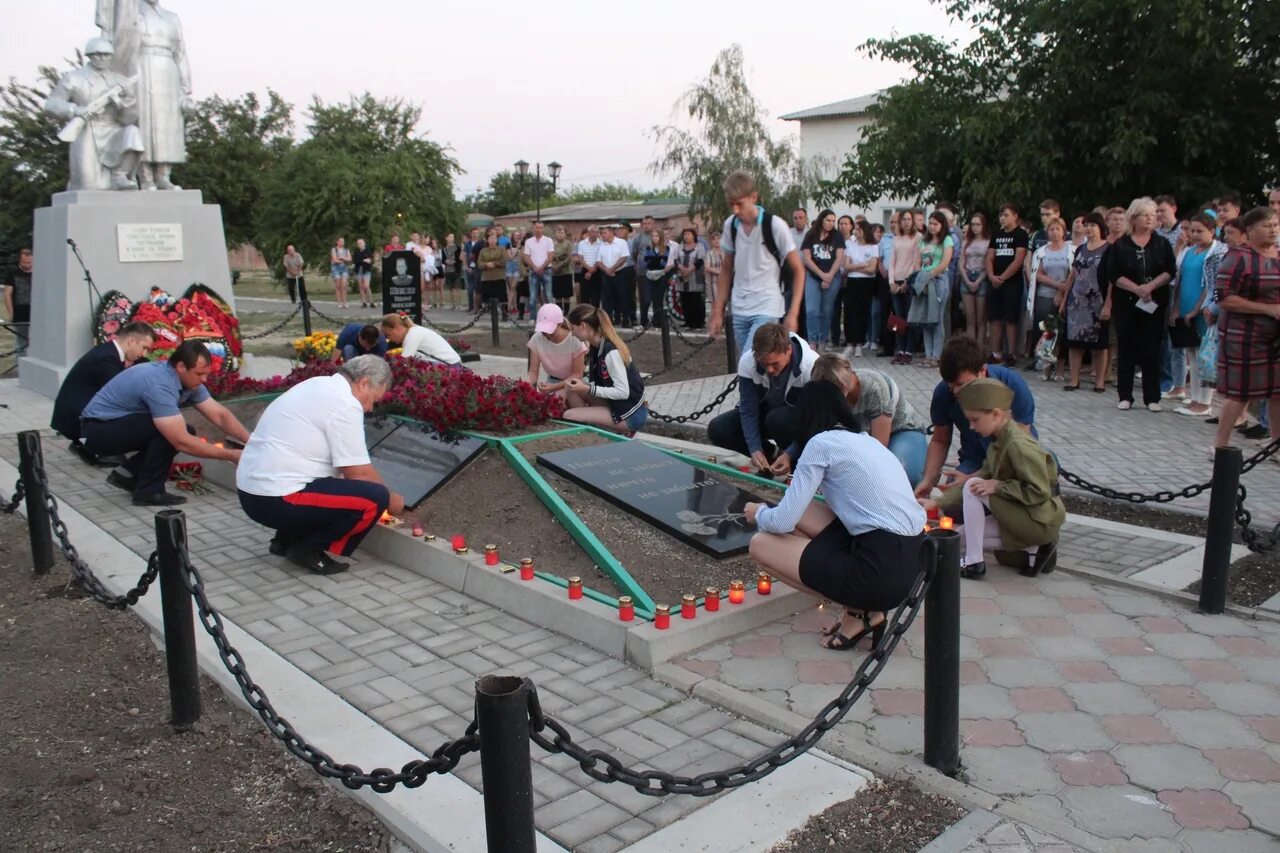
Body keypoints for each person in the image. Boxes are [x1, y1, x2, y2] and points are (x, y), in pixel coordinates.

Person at [745, 380, 927, 650]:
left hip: (878, 572)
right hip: (911, 560)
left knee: (760, 544)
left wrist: (759, 512)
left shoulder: (820, 443)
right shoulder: (865, 440)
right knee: (799, 507)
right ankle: (863, 610)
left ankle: (859, 612)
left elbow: (783, 522)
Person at [236, 355, 404, 575]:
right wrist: (392, 500)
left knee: (325, 484)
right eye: (374, 399)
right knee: (374, 499)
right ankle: (308, 549)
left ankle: (284, 541)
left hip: (250, 493)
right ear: (363, 383)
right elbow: (358, 473)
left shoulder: (316, 385)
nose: (371, 408)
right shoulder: (345, 403)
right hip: (275, 498)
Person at [923, 378, 1064, 580]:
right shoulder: (1002, 440)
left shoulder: (1018, 445)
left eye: (975, 419)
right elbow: (984, 474)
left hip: (1040, 520)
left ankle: (974, 563)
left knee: (973, 486)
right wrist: (936, 502)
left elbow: (1039, 491)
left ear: (996, 414)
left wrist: (999, 486)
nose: (970, 427)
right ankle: (1030, 548)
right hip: (1029, 515)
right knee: (959, 539)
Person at [80, 341, 247, 506]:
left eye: (206, 374)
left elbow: (219, 415)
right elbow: (181, 442)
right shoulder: (159, 384)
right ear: (181, 367)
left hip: (116, 425)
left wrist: (251, 440)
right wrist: (231, 455)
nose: (204, 379)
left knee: (180, 430)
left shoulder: (186, 379)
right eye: (199, 373)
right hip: (98, 430)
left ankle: (127, 474)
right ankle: (149, 492)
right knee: (171, 434)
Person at [916, 335, 1038, 498]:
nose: (956, 391)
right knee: (954, 500)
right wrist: (928, 480)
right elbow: (940, 440)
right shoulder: (944, 393)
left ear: (982, 371)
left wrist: (974, 478)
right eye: (951, 385)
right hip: (975, 459)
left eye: (961, 384)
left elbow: (1019, 445)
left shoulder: (1012, 385)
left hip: (1014, 459)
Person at [708, 171, 805, 357]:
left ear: (753, 197)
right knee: (752, 368)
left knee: (750, 360)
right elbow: (726, 271)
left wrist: (793, 312)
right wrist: (718, 311)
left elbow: (799, 270)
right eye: (731, 204)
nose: (735, 210)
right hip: (740, 305)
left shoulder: (775, 226)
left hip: (767, 305)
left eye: (740, 204)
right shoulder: (731, 225)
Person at [101, 0, 192, 191]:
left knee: (168, 129)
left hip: (168, 72)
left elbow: (181, 54)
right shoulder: (130, 14)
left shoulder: (171, 18)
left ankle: (163, 176)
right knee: (143, 124)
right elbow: (119, 42)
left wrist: (185, 88)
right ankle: (145, 177)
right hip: (140, 69)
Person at [707, 323, 817, 475]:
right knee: (718, 429)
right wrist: (755, 449)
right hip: (766, 414)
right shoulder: (748, 362)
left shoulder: (812, 367)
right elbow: (748, 410)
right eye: (764, 364)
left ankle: (795, 463)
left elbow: (815, 421)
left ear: (789, 350)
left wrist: (790, 453)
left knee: (777, 419)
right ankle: (770, 458)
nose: (769, 370)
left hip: (796, 421)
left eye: (774, 364)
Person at [1213, 207, 1280, 450]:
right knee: (1239, 393)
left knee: (1277, 392)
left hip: (1275, 338)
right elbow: (1224, 298)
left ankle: (1276, 447)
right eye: (1267, 225)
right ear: (1249, 231)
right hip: (1243, 336)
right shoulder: (1238, 257)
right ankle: (1220, 446)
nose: (1273, 229)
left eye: (1275, 224)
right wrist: (1268, 309)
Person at [41, 38, 143, 191]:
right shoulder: (74, 78)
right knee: (88, 186)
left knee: (133, 134)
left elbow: (132, 116)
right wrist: (75, 110)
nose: (102, 58)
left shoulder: (120, 81)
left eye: (107, 55)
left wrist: (121, 105)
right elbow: (51, 105)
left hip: (113, 129)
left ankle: (119, 176)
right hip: (86, 129)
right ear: (90, 55)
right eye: (98, 54)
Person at [811, 354, 929, 483]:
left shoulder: (875, 387)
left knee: (900, 476)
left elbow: (877, 449)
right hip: (860, 437)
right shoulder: (822, 392)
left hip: (901, 431)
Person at [1108, 197, 1177, 412]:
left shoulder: (1161, 243)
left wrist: (1150, 287)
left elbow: (1169, 270)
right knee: (1126, 348)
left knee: (1151, 349)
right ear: (1134, 218)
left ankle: (1152, 397)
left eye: (1153, 214)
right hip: (1127, 303)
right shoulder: (1121, 245)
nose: (1150, 219)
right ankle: (1125, 395)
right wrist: (1136, 288)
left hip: (1153, 303)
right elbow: (1113, 273)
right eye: (1145, 215)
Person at [52, 321, 154, 462]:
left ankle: (87, 445)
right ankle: (98, 448)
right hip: (75, 419)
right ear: (131, 341)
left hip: (74, 411)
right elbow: (120, 394)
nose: (144, 353)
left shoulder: (108, 351)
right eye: (144, 348)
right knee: (138, 415)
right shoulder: (106, 359)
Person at [562, 304, 648, 434]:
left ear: (583, 326)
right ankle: (597, 431)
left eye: (573, 328)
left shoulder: (611, 352)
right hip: (617, 405)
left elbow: (623, 392)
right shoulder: (596, 347)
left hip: (630, 413)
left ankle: (604, 435)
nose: (572, 334)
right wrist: (583, 386)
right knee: (571, 388)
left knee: (569, 415)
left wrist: (589, 389)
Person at [1168, 214, 1222, 416]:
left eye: (1200, 231)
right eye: (1192, 230)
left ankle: (1205, 401)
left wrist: (1196, 309)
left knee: (1204, 355)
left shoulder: (1217, 253)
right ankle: (1195, 398)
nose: (1195, 235)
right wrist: (1176, 308)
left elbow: (1211, 284)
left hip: (1202, 310)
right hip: (1185, 306)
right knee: (1191, 353)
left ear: (1212, 231)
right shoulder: (1188, 251)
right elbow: (1180, 281)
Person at [1062, 211, 1112, 392]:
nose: (1089, 228)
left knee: (1099, 345)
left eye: (1092, 225)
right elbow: (1073, 274)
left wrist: (1108, 304)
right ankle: (1074, 379)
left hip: (1097, 301)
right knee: (1074, 343)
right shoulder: (1080, 249)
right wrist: (1064, 298)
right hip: (1077, 301)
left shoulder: (1109, 249)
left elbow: (1112, 280)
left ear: (1101, 228)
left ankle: (1099, 381)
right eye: (1086, 225)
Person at [1026, 216, 1074, 379]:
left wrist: (1062, 291)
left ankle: (1059, 370)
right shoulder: (1041, 251)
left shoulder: (1071, 250)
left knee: (1061, 333)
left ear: (1064, 231)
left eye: (1058, 229)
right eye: (1051, 229)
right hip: (1044, 295)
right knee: (1047, 331)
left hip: (1065, 296)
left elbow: (1072, 274)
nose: (1054, 233)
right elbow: (1038, 275)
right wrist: (1057, 285)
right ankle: (1046, 369)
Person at [985, 204, 1029, 367]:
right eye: (1001, 215)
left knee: (1011, 318)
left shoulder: (1021, 234)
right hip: (994, 281)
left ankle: (1011, 353)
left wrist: (1002, 278)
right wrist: (991, 276)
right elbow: (989, 257)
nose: (1002, 218)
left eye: (1006, 215)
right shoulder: (996, 234)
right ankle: (995, 352)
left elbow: (1018, 260)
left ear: (1015, 216)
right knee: (994, 317)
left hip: (1011, 282)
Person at [910, 211, 955, 366]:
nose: (932, 226)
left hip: (939, 280)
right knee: (925, 318)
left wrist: (929, 275)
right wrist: (920, 277)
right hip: (923, 281)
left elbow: (944, 263)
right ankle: (928, 354)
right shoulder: (923, 240)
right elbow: (916, 262)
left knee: (937, 319)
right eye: (930, 223)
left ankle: (937, 355)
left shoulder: (947, 240)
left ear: (942, 225)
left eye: (936, 224)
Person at [801, 209, 846, 351]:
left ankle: (822, 341)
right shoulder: (811, 235)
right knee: (812, 310)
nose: (831, 223)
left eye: (833, 221)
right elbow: (807, 259)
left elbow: (839, 258)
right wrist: (822, 275)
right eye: (828, 220)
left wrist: (830, 276)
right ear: (821, 220)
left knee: (826, 311)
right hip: (814, 276)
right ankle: (812, 342)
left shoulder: (837, 236)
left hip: (833, 277)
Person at [526, 304, 588, 398]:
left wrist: (554, 387)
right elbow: (533, 372)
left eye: (550, 331)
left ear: (559, 324)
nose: (546, 335)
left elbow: (577, 374)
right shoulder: (536, 339)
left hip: (575, 384)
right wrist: (525, 385)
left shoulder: (574, 340)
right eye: (543, 331)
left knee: (557, 402)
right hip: (552, 382)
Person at [842, 220, 880, 358]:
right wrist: (863, 264)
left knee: (862, 313)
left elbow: (872, 269)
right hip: (852, 281)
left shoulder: (873, 247)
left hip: (867, 283)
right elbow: (846, 266)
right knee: (849, 312)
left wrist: (856, 266)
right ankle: (849, 343)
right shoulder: (850, 245)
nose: (855, 231)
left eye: (857, 229)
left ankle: (859, 343)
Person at [889, 210, 922, 364]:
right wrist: (891, 281)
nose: (907, 222)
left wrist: (906, 282)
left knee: (910, 318)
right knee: (898, 319)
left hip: (909, 281)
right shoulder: (896, 239)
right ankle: (900, 349)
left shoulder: (918, 237)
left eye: (909, 219)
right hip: (896, 281)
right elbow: (892, 261)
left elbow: (916, 262)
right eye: (904, 219)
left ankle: (909, 350)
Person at [379, 313, 462, 368]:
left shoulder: (412, 335)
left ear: (396, 328)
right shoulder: (415, 330)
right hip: (453, 364)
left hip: (451, 366)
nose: (389, 339)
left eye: (388, 335)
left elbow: (404, 362)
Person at [960, 213, 991, 346]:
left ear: (983, 225)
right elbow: (961, 263)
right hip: (967, 275)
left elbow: (989, 264)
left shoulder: (989, 242)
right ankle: (970, 349)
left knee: (981, 320)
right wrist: (966, 279)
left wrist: (978, 280)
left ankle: (980, 349)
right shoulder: (967, 241)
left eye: (978, 224)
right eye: (973, 224)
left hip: (982, 276)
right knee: (970, 319)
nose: (975, 227)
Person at [638, 219, 675, 329]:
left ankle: (657, 322)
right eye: (653, 236)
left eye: (656, 236)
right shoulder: (649, 248)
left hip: (661, 276)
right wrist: (655, 260)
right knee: (646, 299)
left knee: (658, 300)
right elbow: (646, 262)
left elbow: (662, 263)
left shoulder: (666, 248)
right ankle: (644, 321)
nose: (654, 238)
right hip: (649, 275)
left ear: (661, 237)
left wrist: (654, 260)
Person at [596, 225, 631, 328]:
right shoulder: (602, 245)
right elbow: (598, 261)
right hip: (606, 274)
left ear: (611, 233)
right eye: (602, 233)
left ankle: (625, 320)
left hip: (620, 273)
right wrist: (607, 270)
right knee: (607, 298)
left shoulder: (621, 242)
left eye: (605, 233)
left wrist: (612, 268)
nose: (603, 235)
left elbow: (624, 257)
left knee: (622, 297)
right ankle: (609, 320)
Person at [673, 228, 708, 330]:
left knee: (696, 301)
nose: (686, 236)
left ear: (693, 235)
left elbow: (700, 260)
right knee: (685, 300)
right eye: (684, 234)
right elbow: (675, 259)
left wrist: (689, 269)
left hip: (696, 277)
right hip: (683, 278)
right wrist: (682, 268)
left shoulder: (699, 246)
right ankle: (688, 322)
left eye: (688, 234)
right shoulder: (680, 247)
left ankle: (699, 323)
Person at [4, 248, 33, 355]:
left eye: (29, 262)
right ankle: (21, 366)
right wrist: (11, 313)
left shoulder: (39, 274)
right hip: (20, 313)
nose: (27, 265)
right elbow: (7, 294)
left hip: (36, 313)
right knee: (21, 342)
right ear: (19, 261)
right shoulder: (12, 274)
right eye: (24, 262)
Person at [523, 221, 555, 316]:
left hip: (546, 270)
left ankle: (551, 316)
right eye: (537, 227)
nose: (539, 229)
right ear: (534, 228)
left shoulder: (548, 240)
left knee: (548, 296)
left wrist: (542, 267)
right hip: (533, 271)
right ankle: (533, 317)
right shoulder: (528, 241)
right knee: (532, 296)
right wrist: (535, 267)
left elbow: (551, 256)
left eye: (541, 228)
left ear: (543, 229)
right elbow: (526, 256)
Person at [477, 229, 508, 317]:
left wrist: (494, 263)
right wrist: (486, 264)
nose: (492, 240)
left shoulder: (501, 249)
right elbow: (479, 263)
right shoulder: (483, 251)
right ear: (487, 240)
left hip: (499, 277)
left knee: (502, 297)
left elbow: (504, 261)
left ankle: (504, 314)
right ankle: (492, 313)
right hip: (487, 278)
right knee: (488, 297)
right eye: (490, 238)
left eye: (494, 238)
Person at [574, 226, 602, 307]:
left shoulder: (601, 243)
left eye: (597, 232)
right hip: (585, 271)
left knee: (596, 297)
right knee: (584, 296)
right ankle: (585, 316)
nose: (595, 234)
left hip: (597, 271)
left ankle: (595, 317)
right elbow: (580, 258)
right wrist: (589, 269)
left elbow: (600, 258)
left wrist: (591, 270)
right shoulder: (582, 243)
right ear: (589, 233)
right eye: (593, 232)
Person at [550, 226, 575, 312]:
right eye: (558, 232)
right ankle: (559, 312)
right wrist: (553, 266)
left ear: (565, 234)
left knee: (566, 295)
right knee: (557, 295)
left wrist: (559, 265)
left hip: (566, 272)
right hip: (555, 273)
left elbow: (569, 258)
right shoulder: (553, 245)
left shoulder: (568, 244)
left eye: (562, 233)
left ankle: (566, 313)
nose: (560, 234)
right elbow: (550, 257)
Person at [351, 238, 374, 309]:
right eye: (358, 243)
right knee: (361, 287)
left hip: (366, 270)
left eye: (361, 243)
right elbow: (355, 261)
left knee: (366, 286)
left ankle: (371, 302)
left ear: (364, 243)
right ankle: (364, 302)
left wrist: (362, 260)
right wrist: (364, 260)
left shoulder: (368, 250)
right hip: (359, 270)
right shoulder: (356, 251)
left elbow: (370, 260)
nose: (360, 244)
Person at [330, 237, 351, 309]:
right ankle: (339, 303)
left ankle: (345, 302)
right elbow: (334, 260)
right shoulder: (334, 249)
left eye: (343, 241)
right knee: (338, 286)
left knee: (344, 286)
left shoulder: (346, 250)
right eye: (341, 241)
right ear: (337, 242)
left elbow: (350, 259)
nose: (342, 243)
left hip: (344, 269)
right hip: (336, 269)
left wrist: (342, 257)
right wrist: (344, 259)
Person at [441, 233, 461, 310]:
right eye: (450, 237)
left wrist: (455, 261)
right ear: (446, 238)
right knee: (450, 288)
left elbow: (460, 258)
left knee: (456, 287)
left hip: (456, 269)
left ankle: (458, 303)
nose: (451, 238)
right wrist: (446, 261)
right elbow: (443, 259)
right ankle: (453, 304)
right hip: (448, 270)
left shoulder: (457, 247)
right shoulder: (444, 249)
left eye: (453, 237)